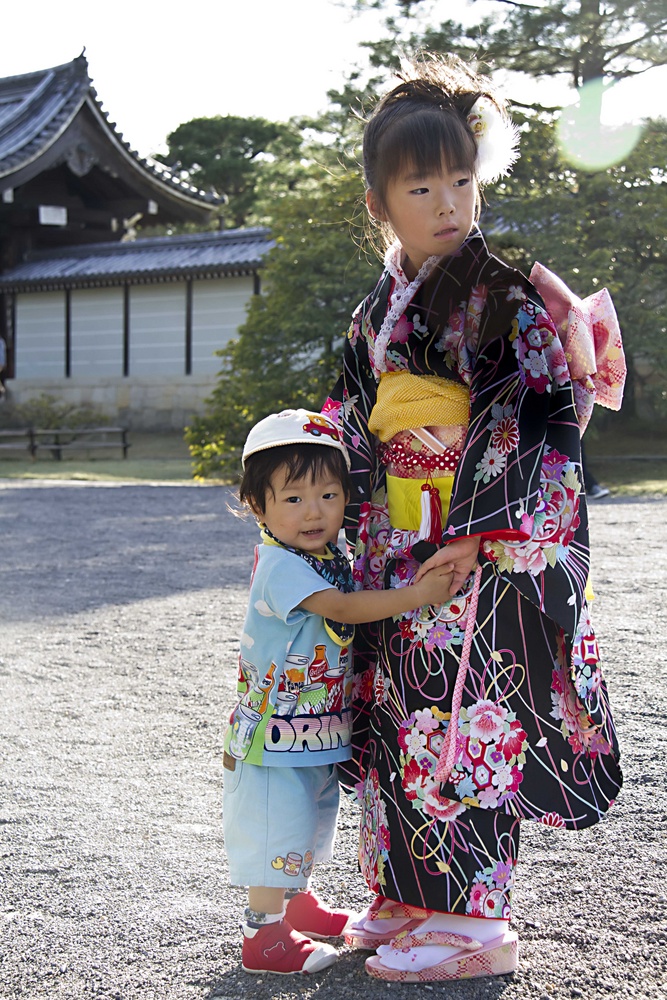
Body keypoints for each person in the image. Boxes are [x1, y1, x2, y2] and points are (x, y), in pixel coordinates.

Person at [323, 53, 623, 983]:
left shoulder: (504, 296)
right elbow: (345, 423)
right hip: (396, 544)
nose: (450, 201)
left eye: (462, 179)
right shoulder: (375, 311)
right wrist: (320, 508)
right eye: (423, 185)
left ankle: (474, 919)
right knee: (396, 714)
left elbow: (531, 419)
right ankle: (406, 895)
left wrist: (475, 528)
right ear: (380, 202)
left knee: (464, 716)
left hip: (477, 548)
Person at [221, 408, 454, 976]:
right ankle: (264, 937)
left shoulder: (325, 552)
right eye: (293, 498)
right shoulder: (280, 565)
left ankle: (295, 904)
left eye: (328, 495)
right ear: (259, 506)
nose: (315, 511)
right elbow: (345, 609)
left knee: (309, 819)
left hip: (314, 725)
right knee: (278, 823)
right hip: (274, 736)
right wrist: (417, 595)